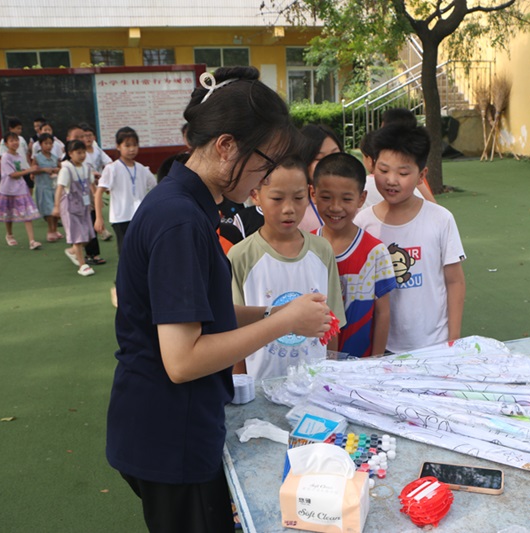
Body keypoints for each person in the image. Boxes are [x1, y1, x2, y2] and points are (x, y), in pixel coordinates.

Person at [105, 66, 332, 533]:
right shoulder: (180, 220)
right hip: (170, 435)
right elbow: (182, 360)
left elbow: (195, 313)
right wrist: (284, 321)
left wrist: (271, 311)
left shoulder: (184, 204)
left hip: (166, 427)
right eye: (263, 163)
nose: (262, 178)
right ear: (226, 146)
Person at [227, 154, 346, 378]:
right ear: (255, 195)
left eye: (298, 198)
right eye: (277, 198)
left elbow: (331, 323)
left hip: (315, 382)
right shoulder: (240, 255)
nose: (289, 209)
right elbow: (233, 330)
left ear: (310, 193)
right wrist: (242, 383)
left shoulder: (322, 250)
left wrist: (331, 374)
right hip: (260, 383)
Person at [354, 123, 466, 354]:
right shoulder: (363, 223)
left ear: (421, 176)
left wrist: (453, 340)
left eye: (403, 173)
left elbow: (455, 281)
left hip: (433, 344)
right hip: (381, 346)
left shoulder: (440, 219)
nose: (391, 180)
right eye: (383, 171)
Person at [312, 152, 396, 357]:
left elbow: (382, 312)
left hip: (360, 365)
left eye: (346, 199)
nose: (335, 207)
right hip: (315, 364)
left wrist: (375, 361)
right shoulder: (305, 247)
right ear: (312, 193)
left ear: (362, 198)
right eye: (326, 197)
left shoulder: (375, 252)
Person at [94, 127, 156, 256]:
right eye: (127, 145)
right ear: (118, 146)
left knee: (142, 249)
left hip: (140, 216)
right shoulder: (112, 169)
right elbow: (99, 192)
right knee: (125, 251)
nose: (132, 149)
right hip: (121, 217)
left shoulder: (142, 169)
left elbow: (156, 188)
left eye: (135, 145)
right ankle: (125, 276)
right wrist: (99, 218)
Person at [52, 140, 96, 277]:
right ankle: (83, 265)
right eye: (78, 153)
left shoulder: (87, 168)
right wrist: (57, 207)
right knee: (77, 237)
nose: (82, 155)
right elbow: (59, 189)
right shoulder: (66, 170)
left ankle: (72, 251)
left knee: (88, 235)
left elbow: (91, 186)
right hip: (70, 207)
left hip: (84, 205)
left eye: (83, 152)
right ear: (70, 154)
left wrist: (95, 200)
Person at [0, 132, 42, 249]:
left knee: (28, 214)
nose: (15, 142)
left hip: (20, 188)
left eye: (16, 140)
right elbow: (13, 174)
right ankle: (9, 234)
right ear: (6, 144)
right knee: (8, 213)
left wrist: (31, 169)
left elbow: (21, 169)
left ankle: (32, 241)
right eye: (11, 140)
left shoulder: (18, 156)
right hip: (8, 189)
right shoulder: (6, 157)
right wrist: (30, 170)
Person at [297, 124, 342, 232]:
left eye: (335, 154)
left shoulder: (356, 201)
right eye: (319, 158)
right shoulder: (297, 210)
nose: (330, 162)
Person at [32, 133, 63, 242]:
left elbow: (61, 168)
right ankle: (50, 230)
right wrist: (43, 170)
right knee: (48, 210)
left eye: (50, 143)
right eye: (46, 143)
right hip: (43, 187)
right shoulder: (37, 157)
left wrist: (56, 170)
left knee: (55, 210)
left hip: (54, 187)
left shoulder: (55, 158)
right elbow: (33, 171)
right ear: (40, 145)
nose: (48, 146)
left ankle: (54, 229)